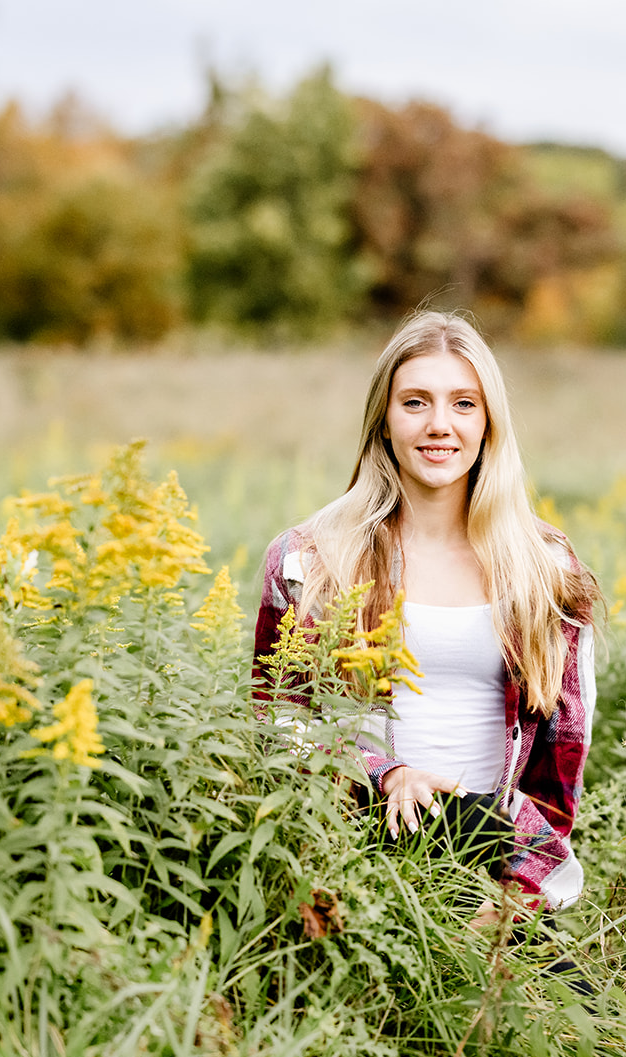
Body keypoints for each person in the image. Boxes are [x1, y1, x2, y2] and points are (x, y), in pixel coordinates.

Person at [252, 309, 602, 921]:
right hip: (350, 850)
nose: (440, 425)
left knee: (589, 1016)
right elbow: (276, 718)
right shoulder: (310, 559)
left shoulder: (545, 567)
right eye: (415, 403)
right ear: (384, 423)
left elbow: (559, 758)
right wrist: (386, 774)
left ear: (489, 423)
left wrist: (509, 902)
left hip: (493, 860)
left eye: (464, 404)